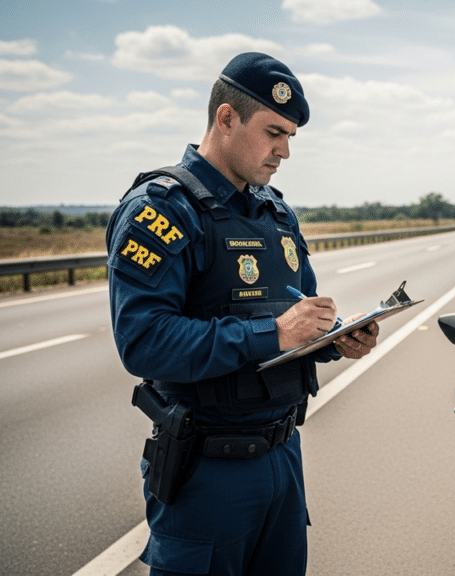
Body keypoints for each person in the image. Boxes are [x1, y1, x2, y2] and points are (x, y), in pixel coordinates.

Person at [105, 52, 379, 576]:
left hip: (282, 458)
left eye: (292, 137)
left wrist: (332, 339)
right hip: (207, 472)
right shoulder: (162, 209)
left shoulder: (275, 212)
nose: (285, 151)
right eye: (274, 132)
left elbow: (296, 322)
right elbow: (143, 341)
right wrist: (271, 334)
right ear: (226, 118)